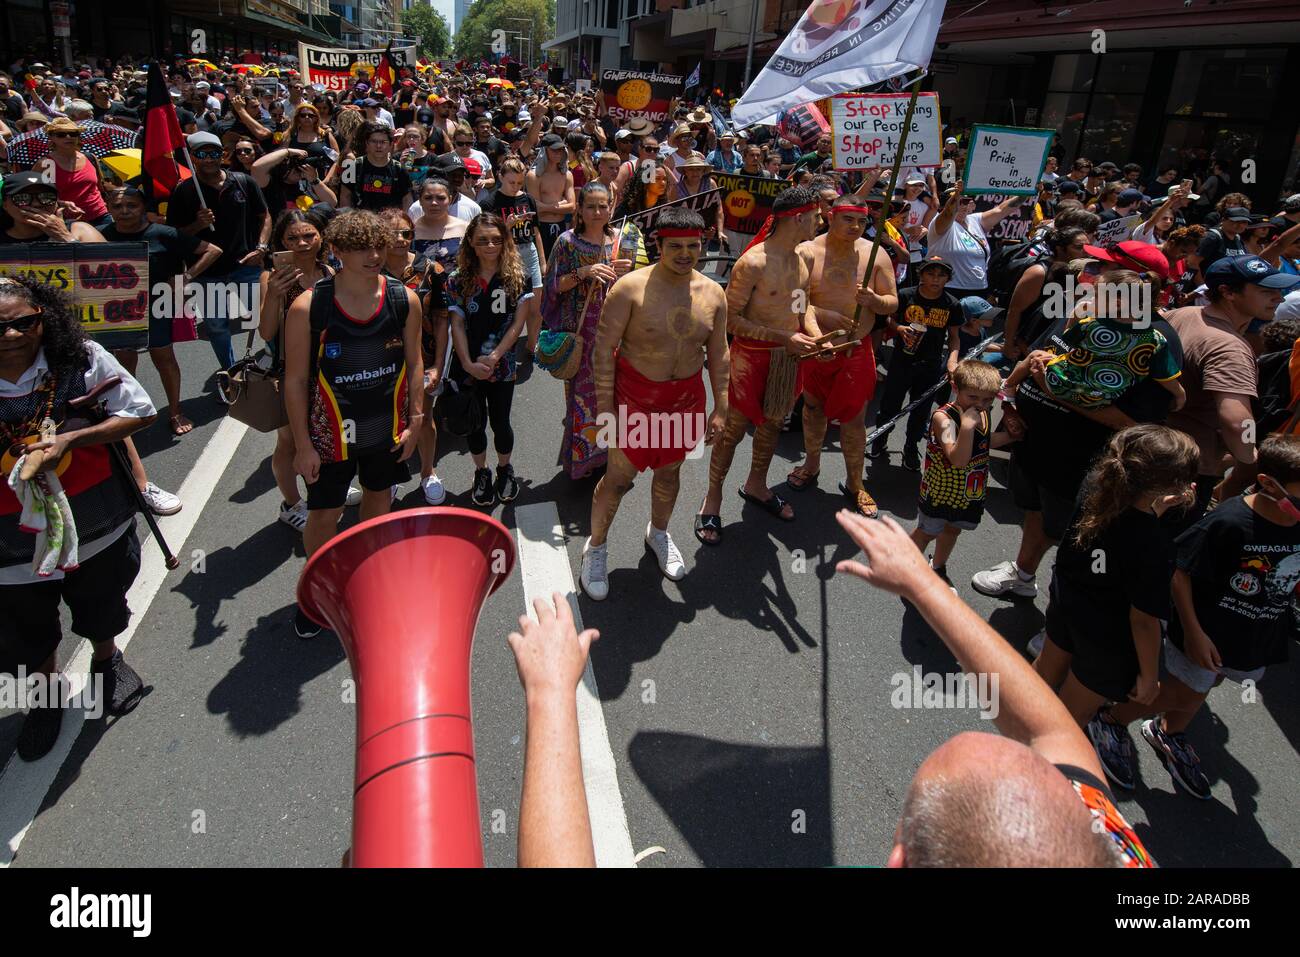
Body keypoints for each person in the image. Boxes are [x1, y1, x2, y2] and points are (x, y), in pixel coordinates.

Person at [835, 511, 1153, 867]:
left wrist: (921, 586)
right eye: (1045, 770)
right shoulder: (1115, 846)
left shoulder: (1106, 836)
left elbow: (1051, 732)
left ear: (899, 861)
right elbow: (1052, 728)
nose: (1052, 761)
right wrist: (923, 585)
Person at [0, 276, 156, 762]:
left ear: (43, 317)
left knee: (100, 597)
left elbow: (139, 412)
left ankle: (106, 663)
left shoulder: (82, 358)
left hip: (94, 517)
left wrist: (69, 441)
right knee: (23, 622)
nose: (10, 335)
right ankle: (47, 696)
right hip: (8, 539)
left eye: (23, 323)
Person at [1095, 434, 1300, 800]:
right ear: (1269, 484)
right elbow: (1180, 573)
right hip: (1206, 628)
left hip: (1254, 634)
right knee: (1181, 690)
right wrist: (1193, 631)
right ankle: (1112, 719)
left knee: (1207, 684)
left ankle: (1168, 732)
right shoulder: (1230, 521)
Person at [282, 210, 424, 639]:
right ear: (337, 251)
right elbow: (295, 379)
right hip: (330, 433)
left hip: (385, 424)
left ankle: (366, 576)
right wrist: (303, 446)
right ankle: (319, 588)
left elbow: (416, 363)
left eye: (378, 246)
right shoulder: (311, 305)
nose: (374, 255)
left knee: (378, 500)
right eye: (361, 248)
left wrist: (416, 420)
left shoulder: (403, 299)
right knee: (325, 512)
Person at [579, 207, 729, 600]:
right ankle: (595, 547)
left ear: (703, 245)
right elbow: (603, 350)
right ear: (657, 245)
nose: (685, 253)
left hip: (684, 402)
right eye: (675, 245)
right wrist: (604, 407)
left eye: (693, 246)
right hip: (634, 400)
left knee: (669, 474)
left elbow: (720, 353)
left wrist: (722, 406)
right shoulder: (629, 288)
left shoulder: (714, 293)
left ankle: (658, 533)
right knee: (617, 479)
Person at [1033, 426, 1199, 763]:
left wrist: (1156, 506)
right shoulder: (1153, 543)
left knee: (1045, 671)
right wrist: (1150, 676)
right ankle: (1033, 768)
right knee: (1068, 717)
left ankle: (1016, 730)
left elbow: (1123, 524)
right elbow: (1143, 620)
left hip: (1069, 603)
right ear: (1166, 485)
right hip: (1106, 639)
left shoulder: (1098, 483)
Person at [695, 186, 821, 544]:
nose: (819, 220)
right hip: (751, 359)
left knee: (771, 426)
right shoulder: (753, 262)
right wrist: (783, 338)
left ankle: (756, 484)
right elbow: (729, 321)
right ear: (798, 217)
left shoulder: (804, 258)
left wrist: (814, 337)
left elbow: (802, 307)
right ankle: (713, 497)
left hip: (788, 359)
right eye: (815, 215)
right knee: (732, 430)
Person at [787, 196, 898, 518]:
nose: (855, 227)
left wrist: (875, 300)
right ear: (830, 216)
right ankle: (811, 463)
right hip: (817, 347)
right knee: (812, 408)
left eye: (861, 222)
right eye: (848, 219)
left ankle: (855, 483)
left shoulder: (875, 254)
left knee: (854, 419)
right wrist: (816, 334)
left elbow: (892, 302)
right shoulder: (807, 251)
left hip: (855, 349)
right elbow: (798, 300)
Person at [1165, 256, 1299, 517]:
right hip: (1187, 471)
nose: (1279, 298)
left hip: (1155, 449)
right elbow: (1238, 423)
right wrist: (1251, 462)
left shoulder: (1181, 314)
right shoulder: (1229, 347)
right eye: (1265, 291)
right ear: (1227, 292)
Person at [540, 181, 645, 480]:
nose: (598, 212)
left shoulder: (623, 238)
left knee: (620, 396)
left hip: (620, 331)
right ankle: (586, 461)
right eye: (591, 206)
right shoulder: (567, 242)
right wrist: (584, 272)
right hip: (583, 333)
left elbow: (640, 283)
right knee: (585, 399)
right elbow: (553, 287)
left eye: (603, 206)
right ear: (580, 209)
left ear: (611, 207)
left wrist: (629, 272)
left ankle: (615, 460)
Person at [99, 184, 222, 436]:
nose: (124, 211)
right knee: (123, 362)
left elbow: (212, 250)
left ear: (143, 207)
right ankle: (128, 411)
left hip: (157, 306)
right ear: (109, 208)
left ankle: (175, 411)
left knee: (164, 359)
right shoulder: (99, 235)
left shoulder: (163, 233)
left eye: (131, 205)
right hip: (118, 310)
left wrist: (184, 278)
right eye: (117, 206)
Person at [257, 209, 337, 531]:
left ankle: (330, 488)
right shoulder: (271, 279)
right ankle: (291, 503)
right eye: (293, 238)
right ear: (281, 243)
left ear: (321, 237)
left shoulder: (331, 270)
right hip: (289, 372)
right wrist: (274, 294)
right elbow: (265, 332)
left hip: (328, 369)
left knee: (329, 433)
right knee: (290, 442)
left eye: (309, 235)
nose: (302, 243)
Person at [1005, 271, 1185, 413]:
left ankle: (1007, 387)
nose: (1091, 299)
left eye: (1097, 295)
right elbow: (1165, 376)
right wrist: (1180, 395)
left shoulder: (1089, 325)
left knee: (1036, 355)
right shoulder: (1155, 339)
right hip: (1100, 400)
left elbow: (1067, 340)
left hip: (1061, 384)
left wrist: (1075, 315)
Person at [166, 130, 271, 374]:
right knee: (216, 327)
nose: (210, 159)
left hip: (245, 265)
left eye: (214, 153)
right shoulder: (184, 191)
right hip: (207, 273)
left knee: (265, 319)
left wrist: (261, 248)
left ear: (222, 154)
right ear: (193, 157)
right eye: (203, 154)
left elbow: (264, 215)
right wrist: (197, 225)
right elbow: (173, 234)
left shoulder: (244, 182)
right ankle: (230, 370)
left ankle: (273, 361)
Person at [911, 360, 1021, 586]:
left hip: (968, 492)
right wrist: (968, 426)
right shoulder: (944, 419)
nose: (980, 404)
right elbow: (958, 459)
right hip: (941, 491)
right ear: (955, 388)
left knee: (952, 531)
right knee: (927, 531)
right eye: (973, 397)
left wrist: (1011, 437)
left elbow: (983, 442)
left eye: (988, 400)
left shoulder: (983, 413)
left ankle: (938, 566)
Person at [447, 213, 531, 506]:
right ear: (470, 242)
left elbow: (517, 324)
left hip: (502, 366)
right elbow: (456, 324)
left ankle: (504, 469)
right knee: (475, 423)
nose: (490, 245)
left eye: (496, 239)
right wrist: (469, 363)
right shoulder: (457, 280)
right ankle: (481, 472)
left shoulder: (518, 277)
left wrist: (495, 356)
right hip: (468, 365)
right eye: (482, 240)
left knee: (500, 422)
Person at [869, 256, 963, 472]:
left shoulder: (952, 304)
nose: (935, 279)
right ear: (921, 274)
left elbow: (955, 337)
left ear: (948, 279)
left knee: (920, 412)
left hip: (930, 365)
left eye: (941, 275)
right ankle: (880, 439)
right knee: (889, 406)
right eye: (930, 274)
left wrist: (952, 361)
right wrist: (899, 328)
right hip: (901, 361)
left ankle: (911, 448)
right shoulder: (904, 295)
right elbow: (887, 318)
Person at [480, 156, 546, 353]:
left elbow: (536, 231)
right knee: (506, 306)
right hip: (504, 255)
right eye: (511, 182)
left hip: (529, 251)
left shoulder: (527, 199)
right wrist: (506, 227)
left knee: (536, 306)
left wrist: (542, 260)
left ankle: (531, 345)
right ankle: (502, 346)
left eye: (519, 182)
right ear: (500, 176)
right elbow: (486, 238)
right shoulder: (489, 203)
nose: (515, 186)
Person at [926, 180, 1020, 298]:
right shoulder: (939, 224)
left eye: (966, 202)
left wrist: (1027, 193)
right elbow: (948, 213)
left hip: (980, 290)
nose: (963, 206)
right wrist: (957, 194)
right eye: (959, 202)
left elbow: (1002, 209)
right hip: (949, 291)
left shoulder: (975, 220)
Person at [33, 117, 111, 229]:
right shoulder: (46, 164)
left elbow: (100, 187)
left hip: (101, 216)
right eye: (61, 134)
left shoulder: (90, 157)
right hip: (66, 221)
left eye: (73, 133)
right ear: (51, 137)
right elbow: (40, 196)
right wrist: (61, 203)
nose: (68, 137)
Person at [338, 123, 412, 213]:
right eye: (373, 141)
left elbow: (407, 199)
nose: (378, 146)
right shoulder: (351, 166)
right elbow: (345, 196)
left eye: (383, 142)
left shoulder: (399, 169)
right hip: (360, 220)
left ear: (391, 145)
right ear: (367, 143)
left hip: (390, 221)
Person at [527, 133, 575, 261]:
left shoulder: (567, 175)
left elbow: (572, 207)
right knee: (542, 264)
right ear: (544, 151)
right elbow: (535, 208)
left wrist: (546, 207)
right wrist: (560, 204)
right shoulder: (534, 175)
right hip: (540, 228)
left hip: (561, 225)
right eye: (554, 150)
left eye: (561, 149)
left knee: (560, 265)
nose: (558, 153)